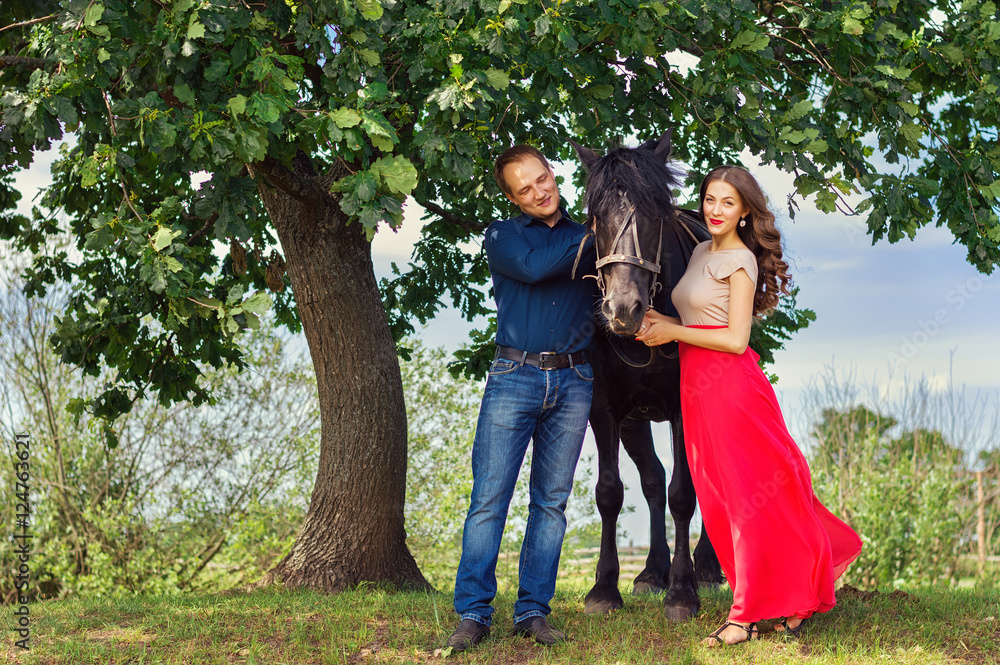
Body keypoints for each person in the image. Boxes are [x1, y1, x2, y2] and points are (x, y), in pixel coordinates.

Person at [635, 165, 862, 647]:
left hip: (733, 389)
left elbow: (737, 339)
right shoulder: (700, 250)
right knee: (718, 499)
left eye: (728, 203)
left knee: (744, 500)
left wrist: (672, 331)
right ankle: (789, 596)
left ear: (744, 212)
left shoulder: (740, 260)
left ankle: (744, 615)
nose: (715, 210)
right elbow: (698, 313)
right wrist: (659, 317)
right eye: (710, 200)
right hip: (697, 390)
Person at [446, 145, 597, 652]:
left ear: (553, 174)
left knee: (551, 504)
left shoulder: (591, 236)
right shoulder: (504, 235)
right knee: (489, 500)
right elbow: (534, 269)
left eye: (543, 178)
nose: (540, 191)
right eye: (525, 188)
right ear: (513, 198)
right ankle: (473, 612)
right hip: (515, 375)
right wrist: (594, 237)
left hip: (575, 381)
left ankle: (532, 611)